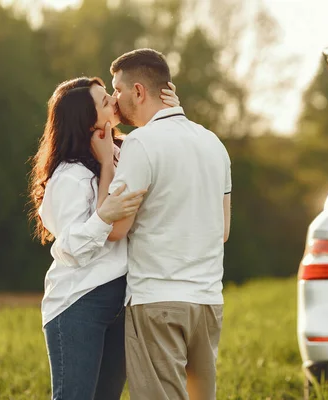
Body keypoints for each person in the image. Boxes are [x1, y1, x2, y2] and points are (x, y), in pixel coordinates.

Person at [28, 76, 179, 399]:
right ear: (85, 119)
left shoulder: (122, 153)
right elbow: (71, 249)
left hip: (121, 299)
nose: (113, 99)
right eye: (103, 100)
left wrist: (171, 111)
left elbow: (163, 149)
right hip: (79, 301)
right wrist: (104, 215)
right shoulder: (69, 176)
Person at [94, 48, 231, 400]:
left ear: (138, 91)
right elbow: (224, 230)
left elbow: (115, 228)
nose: (116, 99)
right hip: (208, 303)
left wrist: (107, 163)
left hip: (158, 302)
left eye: (118, 89)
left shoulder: (141, 143)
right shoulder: (214, 143)